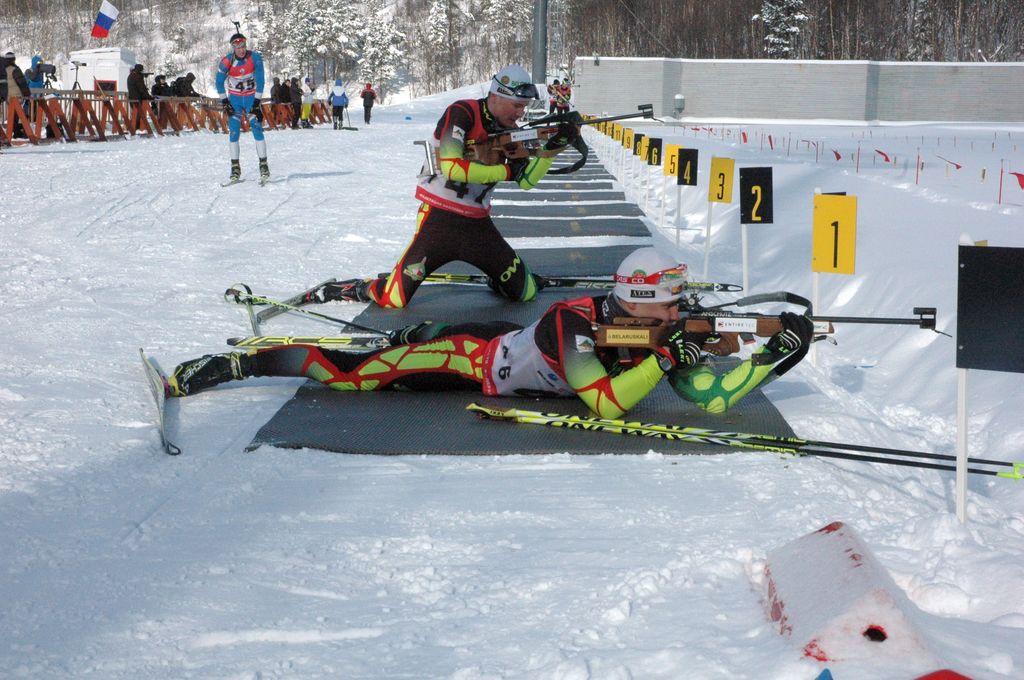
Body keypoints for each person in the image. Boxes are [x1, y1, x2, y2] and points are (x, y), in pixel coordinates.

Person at [163, 248, 815, 420]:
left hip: (509, 337)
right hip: (469, 361)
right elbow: (604, 403)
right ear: (640, 306)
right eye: (670, 309)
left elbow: (712, 395)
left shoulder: (651, 330)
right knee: (347, 373)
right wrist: (671, 351)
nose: (679, 317)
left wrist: (775, 354)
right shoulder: (577, 323)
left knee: (424, 336)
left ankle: (408, 333)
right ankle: (233, 369)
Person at [309, 64, 578, 310]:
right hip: (439, 220)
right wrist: (505, 171)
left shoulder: (513, 131)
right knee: (394, 299)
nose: (521, 113)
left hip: (478, 225)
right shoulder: (462, 112)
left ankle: (499, 279)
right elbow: (451, 166)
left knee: (526, 293)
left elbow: (527, 180)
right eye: (517, 105)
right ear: (496, 95)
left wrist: (553, 148)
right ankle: (359, 288)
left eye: (525, 106)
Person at [216, 32, 269, 184]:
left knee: (256, 128)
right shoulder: (227, 61)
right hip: (235, 99)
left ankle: (263, 165)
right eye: (237, 47)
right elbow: (219, 83)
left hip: (252, 97)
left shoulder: (255, 58)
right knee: (233, 131)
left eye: (243, 46)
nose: (241, 49)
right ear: (233, 47)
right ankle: (235, 168)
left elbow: (260, 80)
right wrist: (225, 101)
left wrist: (257, 103)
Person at [126, 64, 154, 129]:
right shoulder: (137, 77)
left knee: (135, 113)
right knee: (138, 114)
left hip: (132, 97)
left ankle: (133, 128)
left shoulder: (131, 75)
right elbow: (142, 88)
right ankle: (135, 128)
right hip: (137, 98)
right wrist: (148, 97)